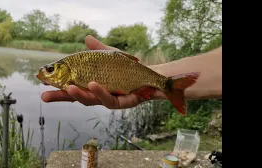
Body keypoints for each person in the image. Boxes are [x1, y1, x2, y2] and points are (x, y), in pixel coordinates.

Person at [40, 35, 222, 109]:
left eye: (50, 70)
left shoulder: (73, 73)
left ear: (65, 70)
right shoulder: (74, 67)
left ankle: (168, 85)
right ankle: (167, 85)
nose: (48, 73)